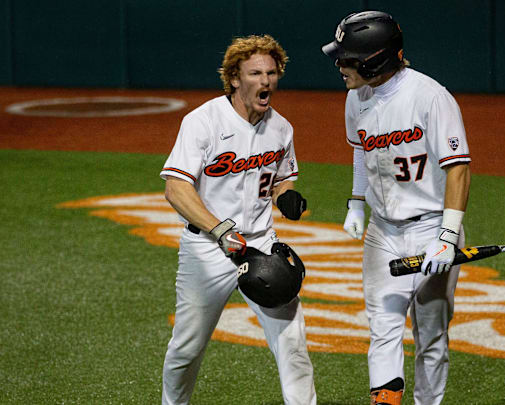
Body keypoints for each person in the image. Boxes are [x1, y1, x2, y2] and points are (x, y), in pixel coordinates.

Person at [322, 11, 472, 405]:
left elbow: (458, 170)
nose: (339, 65)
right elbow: (361, 151)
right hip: (383, 232)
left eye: (347, 57)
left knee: (432, 336)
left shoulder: (430, 97)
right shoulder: (357, 98)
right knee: (383, 327)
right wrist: (357, 203)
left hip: (432, 229)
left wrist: (447, 236)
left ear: (374, 60)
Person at [160, 34, 316, 405]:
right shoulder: (203, 121)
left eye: (272, 73)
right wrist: (220, 230)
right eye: (256, 73)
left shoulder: (281, 128)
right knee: (187, 349)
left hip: (262, 244)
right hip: (208, 248)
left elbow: (281, 178)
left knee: (293, 342)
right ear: (234, 78)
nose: (266, 81)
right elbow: (176, 188)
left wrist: (286, 196)